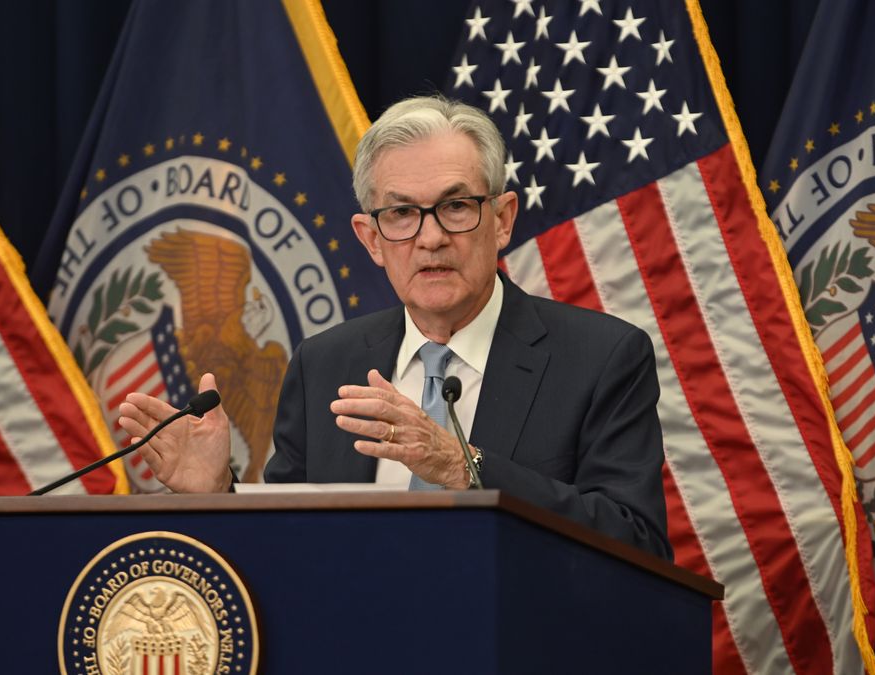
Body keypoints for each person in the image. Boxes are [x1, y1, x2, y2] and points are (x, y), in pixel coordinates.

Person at [118, 95, 672, 559]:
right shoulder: (325, 364)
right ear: (371, 239)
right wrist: (219, 494)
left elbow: (637, 543)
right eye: (402, 214)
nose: (430, 238)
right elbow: (287, 550)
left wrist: (464, 467)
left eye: (456, 206)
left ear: (501, 220)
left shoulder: (600, 358)